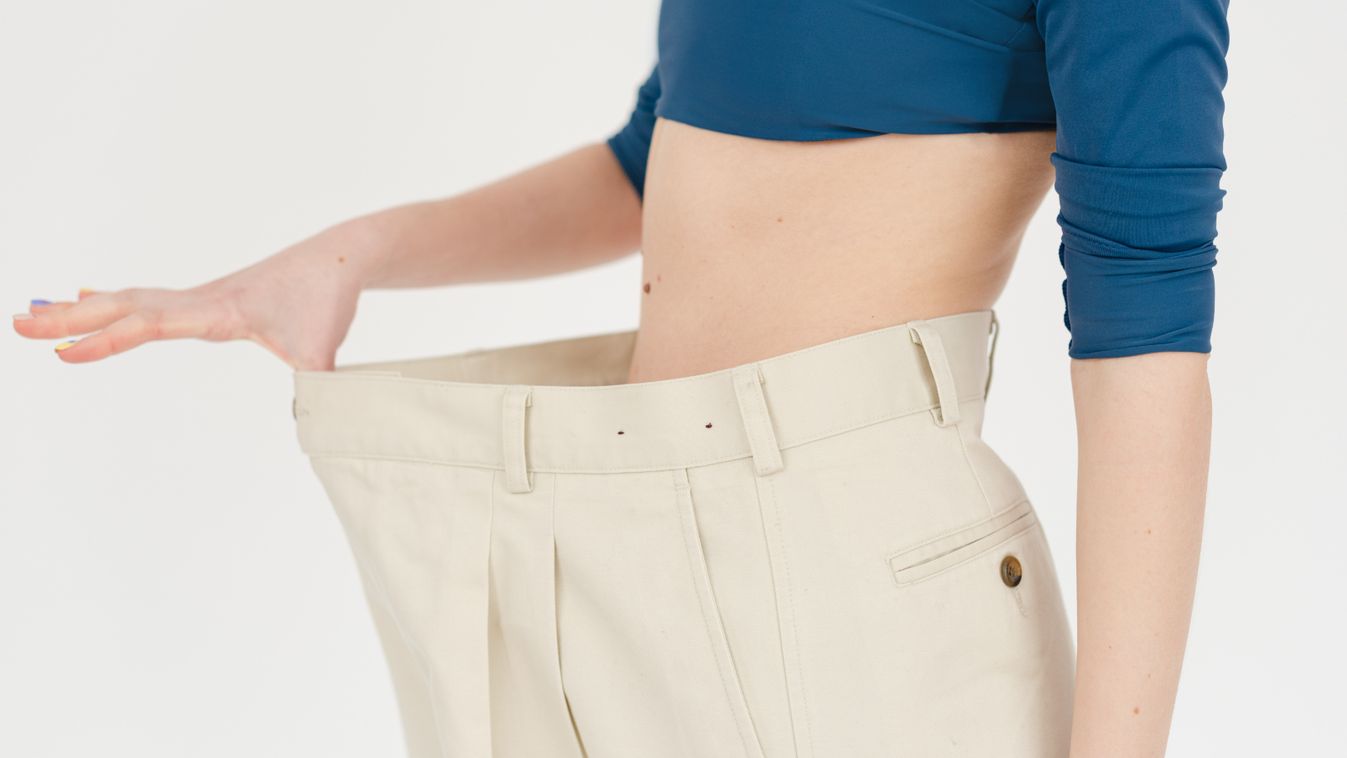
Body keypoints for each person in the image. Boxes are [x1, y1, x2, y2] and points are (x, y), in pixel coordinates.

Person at [13, 1, 1228, 756]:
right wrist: (351, 256)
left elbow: (1146, 328)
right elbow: (656, 158)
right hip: (606, 530)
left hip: (852, 576)